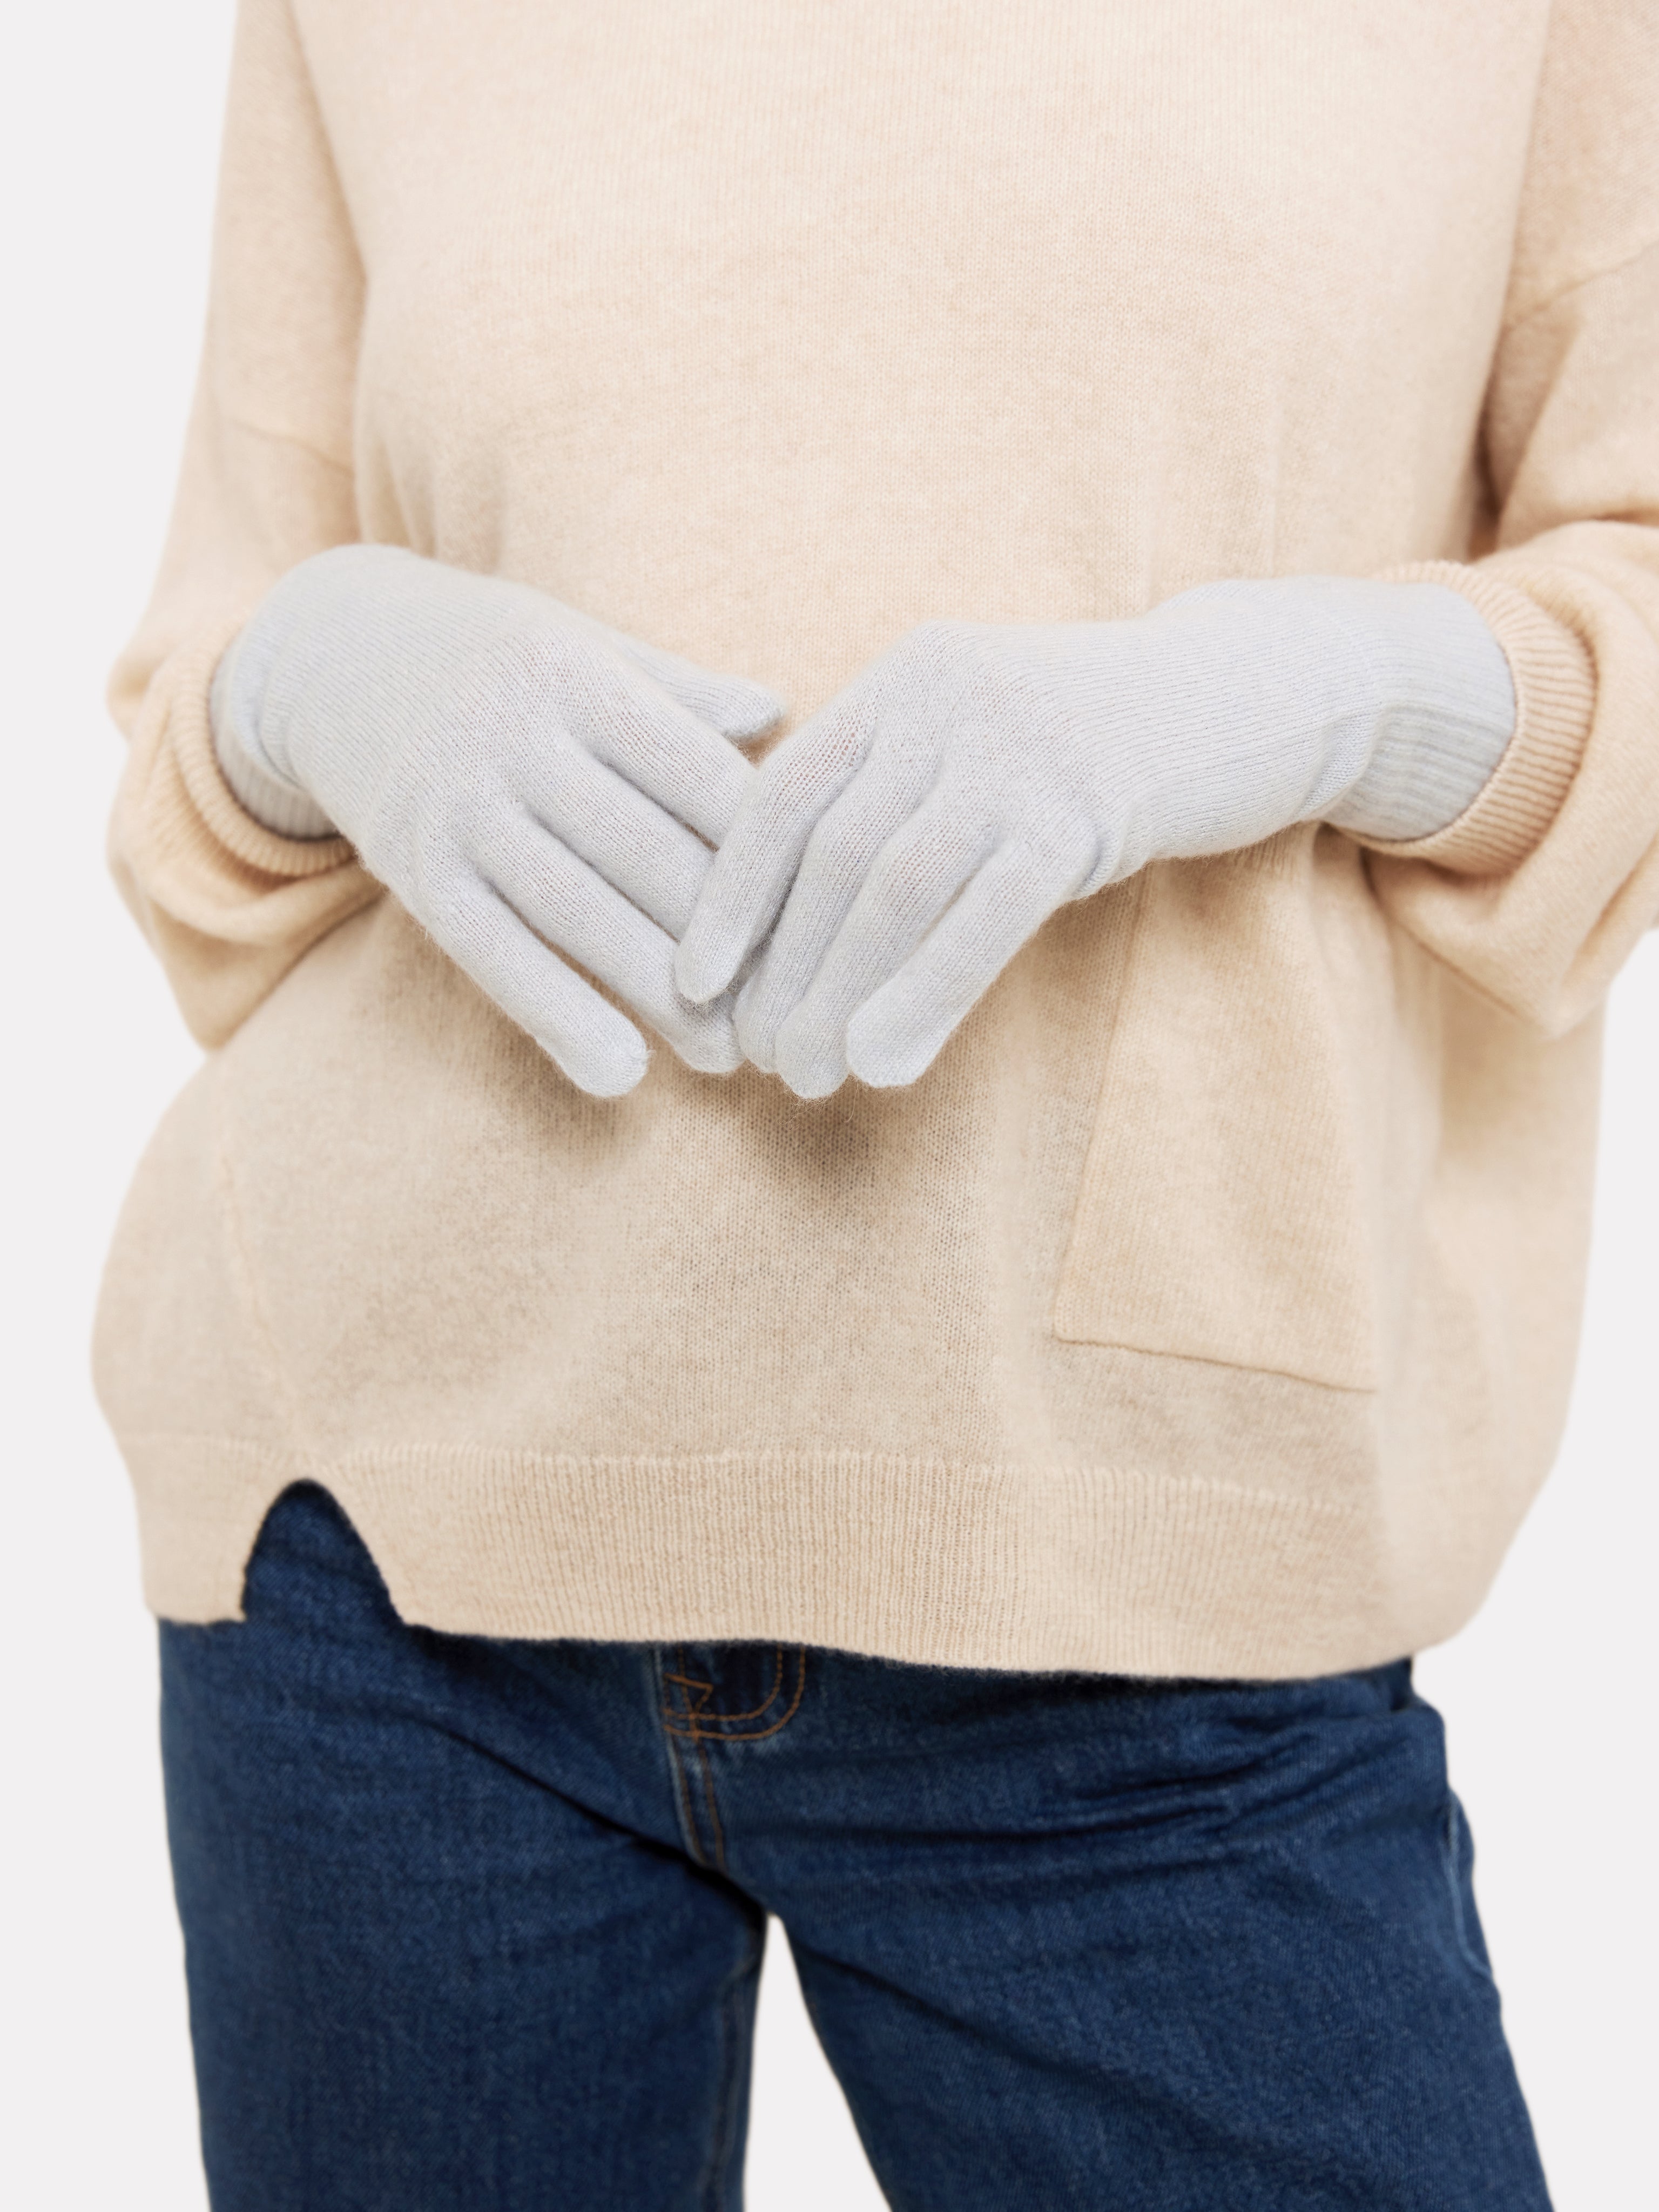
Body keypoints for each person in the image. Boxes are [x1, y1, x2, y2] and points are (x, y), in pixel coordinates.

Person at [100, 2, 1657, 2206]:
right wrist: (312, 673)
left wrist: (1297, 695)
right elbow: (198, 736)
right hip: (387, 1569)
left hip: (1146, 1583)